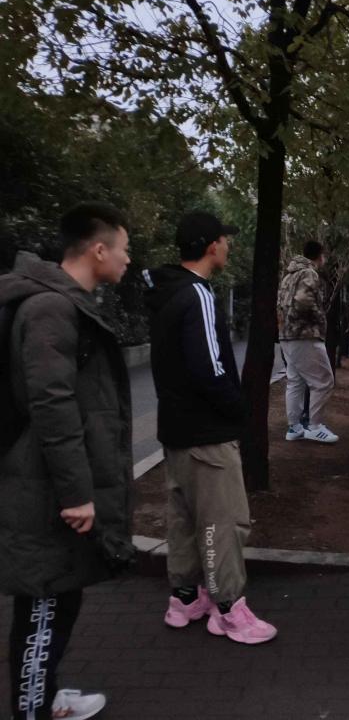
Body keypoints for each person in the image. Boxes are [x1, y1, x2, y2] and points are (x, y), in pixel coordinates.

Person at [0, 202, 134, 720]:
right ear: (98, 250)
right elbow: (52, 406)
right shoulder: (50, 310)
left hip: (49, 487)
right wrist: (78, 493)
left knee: (60, 597)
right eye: (124, 249)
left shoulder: (64, 305)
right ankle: (33, 708)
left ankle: (46, 697)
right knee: (44, 606)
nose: (127, 259)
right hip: (44, 492)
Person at [144, 212, 277, 645]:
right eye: (224, 238)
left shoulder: (166, 293)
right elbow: (211, 368)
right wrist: (238, 411)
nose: (228, 245)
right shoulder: (198, 295)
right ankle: (228, 609)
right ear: (210, 245)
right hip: (208, 433)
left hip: (176, 430)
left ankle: (185, 598)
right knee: (222, 522)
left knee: (184, 520)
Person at [277, 240, 338, 444]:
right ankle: (315, 426)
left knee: (295, 381)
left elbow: (280, 303)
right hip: (305, 335)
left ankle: (294, 427)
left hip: (286, 334)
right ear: (319, 255)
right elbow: (304, 302)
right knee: (323, 381)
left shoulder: (289, 275)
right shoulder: (309, 273)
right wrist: (319, 318)